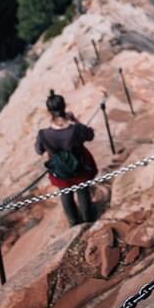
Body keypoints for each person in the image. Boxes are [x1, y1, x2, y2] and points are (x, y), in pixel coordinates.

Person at [35, 90, 98, 226]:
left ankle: (74, 223)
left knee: (65, 193)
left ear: (49, 111)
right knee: (82, 192)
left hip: (60, 170)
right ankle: (88, 220)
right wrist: (75, 121)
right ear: (64, 107)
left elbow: (38, 150)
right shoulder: (75, 129)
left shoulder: (43, 134)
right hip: (79, 167)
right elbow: (90, 135)